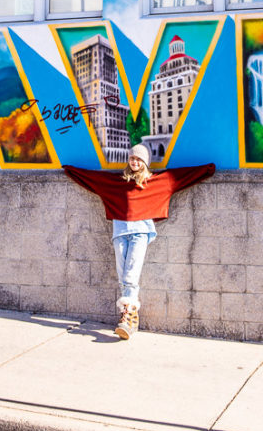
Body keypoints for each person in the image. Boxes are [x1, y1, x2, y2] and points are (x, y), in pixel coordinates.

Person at [64, 145, 215, 339]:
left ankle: (126, 318)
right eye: (132, 159)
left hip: (140, 233)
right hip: (119, 233)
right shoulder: (118, 182)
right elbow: (93, 179)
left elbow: (182, 177)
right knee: (123, 276)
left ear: (145, 162)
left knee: (130, 275)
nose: (134, 162)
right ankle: (131, 317)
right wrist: (71, 171)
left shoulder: (156, 182)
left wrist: (206, 169)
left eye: (138, 159)